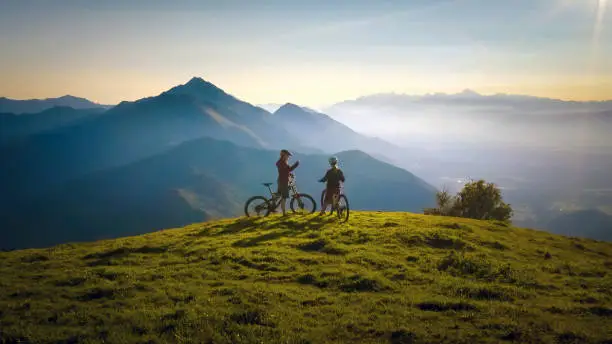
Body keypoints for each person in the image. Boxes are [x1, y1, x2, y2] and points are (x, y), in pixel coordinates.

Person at [276, 149, 300, 216]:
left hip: (281, 180)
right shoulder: (282, 162)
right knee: (284, 197)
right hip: (283, 181)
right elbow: (288, 169)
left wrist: (289, 174)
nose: (289, 157)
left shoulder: (283, 162)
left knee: (278, 195)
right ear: (284, 155)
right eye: (288, 155)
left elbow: (285, 171)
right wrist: (296, 164)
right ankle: (284, 213)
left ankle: (273, 207)